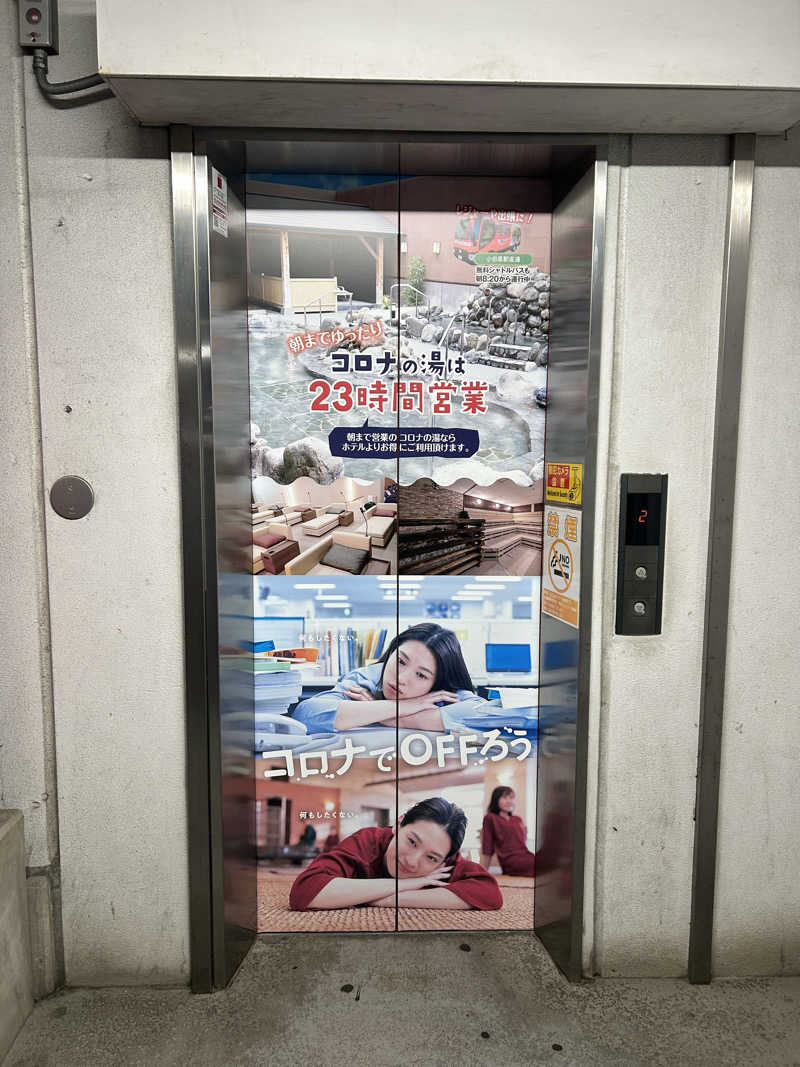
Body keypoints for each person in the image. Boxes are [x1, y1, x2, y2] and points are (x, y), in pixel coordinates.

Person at [289, 797, 502, 911]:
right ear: (398, 824)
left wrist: (385, 900)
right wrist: (406, 884)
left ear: (444, 860)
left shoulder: (444, 857)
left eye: (431, 858)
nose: (411, 861)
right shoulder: (366, 842)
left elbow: (489, 893)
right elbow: (304, 892)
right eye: (411, 841)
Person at [292, 622, 479, 735]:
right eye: (400, 661)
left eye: (421, 675)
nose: (401, 678)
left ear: (437, 683)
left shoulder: (445, 693)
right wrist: (405, 707)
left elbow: (488, 714)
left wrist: (394, 719)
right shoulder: (367, 678)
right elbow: (306, 715)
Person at [480, 786, 536, 877]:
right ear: (496, 799)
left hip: (526, 855)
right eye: (505, 797)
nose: (509, 801)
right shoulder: (490, 818)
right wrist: (483, 871)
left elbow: (522, 841)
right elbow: (487, 847)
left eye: (511, 798)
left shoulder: (518, 819)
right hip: (510, 861)